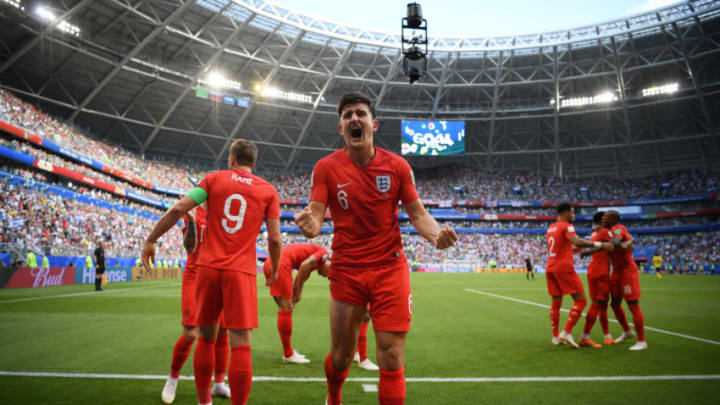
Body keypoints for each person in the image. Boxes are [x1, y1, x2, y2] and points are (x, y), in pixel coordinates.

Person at [294, 92, 457, 405]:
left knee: (391, 356)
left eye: (360, 113)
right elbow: (316, 209)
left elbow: (418, 213)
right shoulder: (326, 167)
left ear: (373, 124)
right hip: (347, 270)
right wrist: (313, 223)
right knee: (341, 357)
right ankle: (334, 397)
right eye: (348, 115)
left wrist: (436, 236)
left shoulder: (397, 166)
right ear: (340, 127)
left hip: (389, 269)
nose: (354, 118)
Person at [143, 139, 282, 405]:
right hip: (240, 271)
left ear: (231, 159)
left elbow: (177, 208)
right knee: (241, 343)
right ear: (254, 162)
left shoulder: (213, 180)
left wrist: (151, 239)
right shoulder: (268, 191)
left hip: (207, 269)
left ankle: (204, 401)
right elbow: (275, 239)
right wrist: (274, 268)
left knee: (206, 339)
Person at [160, 202, 231, 404]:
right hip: (195, 276)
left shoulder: (225, 213)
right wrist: (191, 221)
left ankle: (218, 384)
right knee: (191, 333)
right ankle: (172, 378)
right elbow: (190, 247)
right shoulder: (192, 212)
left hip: (218, 276)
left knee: (223, 330)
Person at [544, 203, 612, 349]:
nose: (573, 216)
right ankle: (566, 332)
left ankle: (556, 337)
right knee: (581, 301)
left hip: (550, 267)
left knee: (556, 303)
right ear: (566, 212)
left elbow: (564, 245)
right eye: (572, 213)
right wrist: (600, 245)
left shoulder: (550, 228)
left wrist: (575, 250)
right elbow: (576, 241)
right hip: (564, 267)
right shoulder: (567, 226)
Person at [261, 243, 331, 364]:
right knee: (286, 308)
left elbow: (301, 275)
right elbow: (304, 265)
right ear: (330, 264)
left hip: (272, 262)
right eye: (328, 273)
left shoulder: (314, 265)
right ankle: (288, 354)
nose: (326, 276)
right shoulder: (324, 253)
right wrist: (298, 292)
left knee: (286, 309)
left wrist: (296, 292)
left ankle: (288, 351)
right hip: (281, 263)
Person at [603, 210, 647, 351]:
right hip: (616, 272)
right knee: (615, 304)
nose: (604, 218)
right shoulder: (611, 230)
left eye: (606, 217)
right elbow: (624, 245)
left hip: (627, 272)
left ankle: (641, 341)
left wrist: (624, 243)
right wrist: (628, 243)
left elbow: (617, 241)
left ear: (614, 219)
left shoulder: (618, 228)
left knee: (633, 304)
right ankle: (627, 331)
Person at [578, 212, 616, 347]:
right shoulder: (605, 231)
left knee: (603, 305)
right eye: (607, 218)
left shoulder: (595, 232)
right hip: (601, 272)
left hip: (594, 270)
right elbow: (615, 242)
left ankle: (607, 336)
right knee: (596, 304)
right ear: (603, 220)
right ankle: (585, 337)